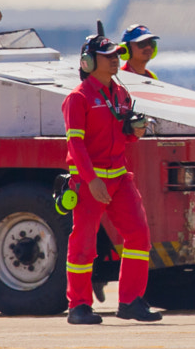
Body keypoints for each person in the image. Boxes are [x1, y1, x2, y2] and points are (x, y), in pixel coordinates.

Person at [63, 32, 159, 324]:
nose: (116, 59)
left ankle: (131, 301)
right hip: (89, 183)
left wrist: (135, 132)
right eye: (108, 55)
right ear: (89, 62)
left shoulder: (121, 94)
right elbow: (75, 144)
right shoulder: (77, 98)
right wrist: (91, 180)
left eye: (117, 54)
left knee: (139, 235)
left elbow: (124, 138)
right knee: (83, 244)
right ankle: (78, 306)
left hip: (119, 179)